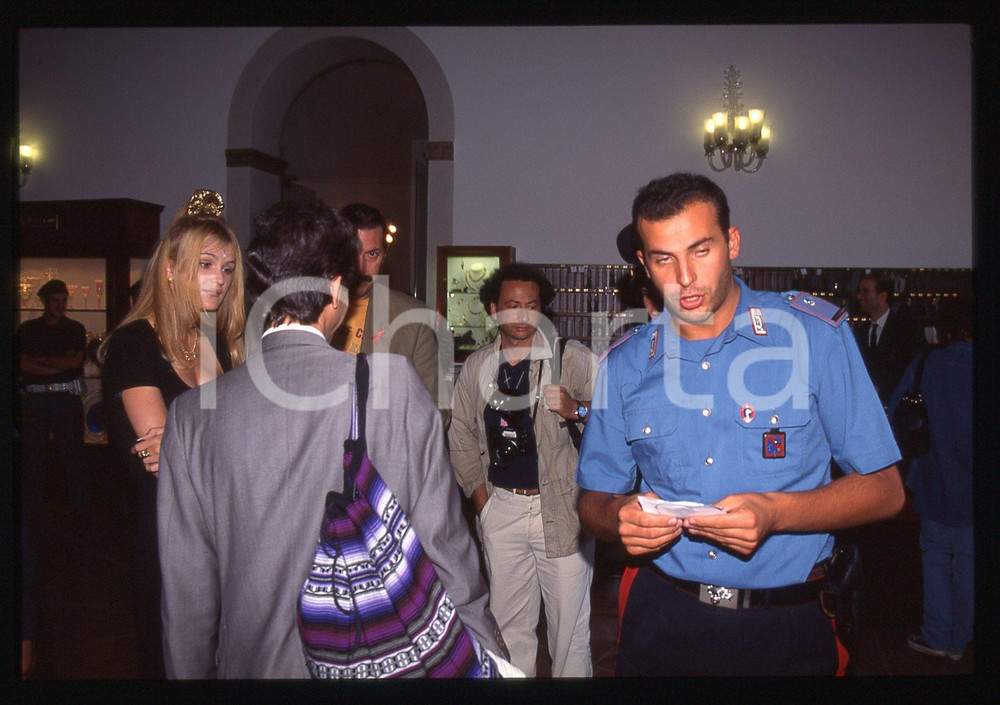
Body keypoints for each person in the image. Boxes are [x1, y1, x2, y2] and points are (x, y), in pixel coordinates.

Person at [156, 199, 507, 678]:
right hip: (377, 658)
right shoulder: (391, 385)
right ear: (337, 292)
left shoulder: (190, 416)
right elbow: (446, 548)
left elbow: (187, 601)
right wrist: (487, 653)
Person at [576, 173, 905, 677]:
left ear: (732, 243)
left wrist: (776, 512)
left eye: (700, 250)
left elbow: (886, 490)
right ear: (643, 263)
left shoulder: (813, 337)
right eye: (664, 258)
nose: (684, 277)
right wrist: (618, 516)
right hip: (664, 618)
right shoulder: (623, 365)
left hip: (787, 623)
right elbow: (591, 501)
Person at [99, 189, 245, 678]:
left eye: (227, 269)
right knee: (176, 664)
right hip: (172, 535)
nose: (221, 279)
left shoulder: (215, 342)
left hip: (230, 532)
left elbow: (186, 451)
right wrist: (232, 446)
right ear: (169, 267)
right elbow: (158, 461)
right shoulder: (133, 344)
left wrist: (194, 447)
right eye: (207, 264)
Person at [449, 262, 597, 677]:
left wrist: (577, 409)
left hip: (564, 511)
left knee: (570, 635)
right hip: (502, 508)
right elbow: (460, 435)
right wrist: (483, 504)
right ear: (493, 309)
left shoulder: (572, 358)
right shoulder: (478, 367)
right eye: (512, 305)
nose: (522, 315)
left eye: (531, 306)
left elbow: (613, 427)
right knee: (509, 631)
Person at [888, 297, 973, 661]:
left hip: (935, 480)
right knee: (970, 564)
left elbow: (895, 411)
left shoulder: (925, 364)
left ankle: (937, 636)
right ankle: (961, 641)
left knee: (936, 559)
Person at [330, 202, 446, 416]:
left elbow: (435, 410)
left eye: (372, 254)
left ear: (384, 255)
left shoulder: (413, 320)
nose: (361, 267)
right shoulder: (308, 312)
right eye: (352, 253)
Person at [17, 278, 90, 522]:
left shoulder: (75, 328)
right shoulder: (28, 330)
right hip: (36, 401)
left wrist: (40, 360)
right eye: (55, 301)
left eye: (63, 301)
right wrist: (57, 363)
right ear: (45, 302)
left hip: (64, 398)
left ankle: (80, 513)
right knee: (32, 459)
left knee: (74, 458)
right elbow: (22, 364)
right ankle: (31, 512)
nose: (60, 305)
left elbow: (73, 363)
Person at [855, 272, 926, 407]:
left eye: (866, 291)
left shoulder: (906, 330)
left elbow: (914, 368)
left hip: (900, 408)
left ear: (882, 296)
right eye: (859, 291)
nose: (859, 296)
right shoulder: (859, 332)